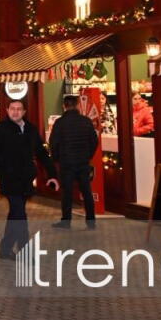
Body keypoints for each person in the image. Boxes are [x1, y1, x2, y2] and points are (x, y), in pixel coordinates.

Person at [0, 99, 58, 260]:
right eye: (12, 109)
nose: (15, 112)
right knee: (20, 215)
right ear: (7, 110)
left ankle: (5, 249)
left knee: (15, 214)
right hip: (8, 178)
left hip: (26, 178)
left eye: (19, 109)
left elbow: (42, 154)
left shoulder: (30, 129)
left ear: (24, 112)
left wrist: (52, 175)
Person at [48, 95, 100, 229]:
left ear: (64, 106)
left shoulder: (60, 123)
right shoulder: (86, 121)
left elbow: (53, 143)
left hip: (66, 163)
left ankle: (66, 221)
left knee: (67, 193)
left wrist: (57, 159)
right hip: (83, 162)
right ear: (77, 105)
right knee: (87, 191)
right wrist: (87, 155)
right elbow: (94, 141)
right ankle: (91, 221)